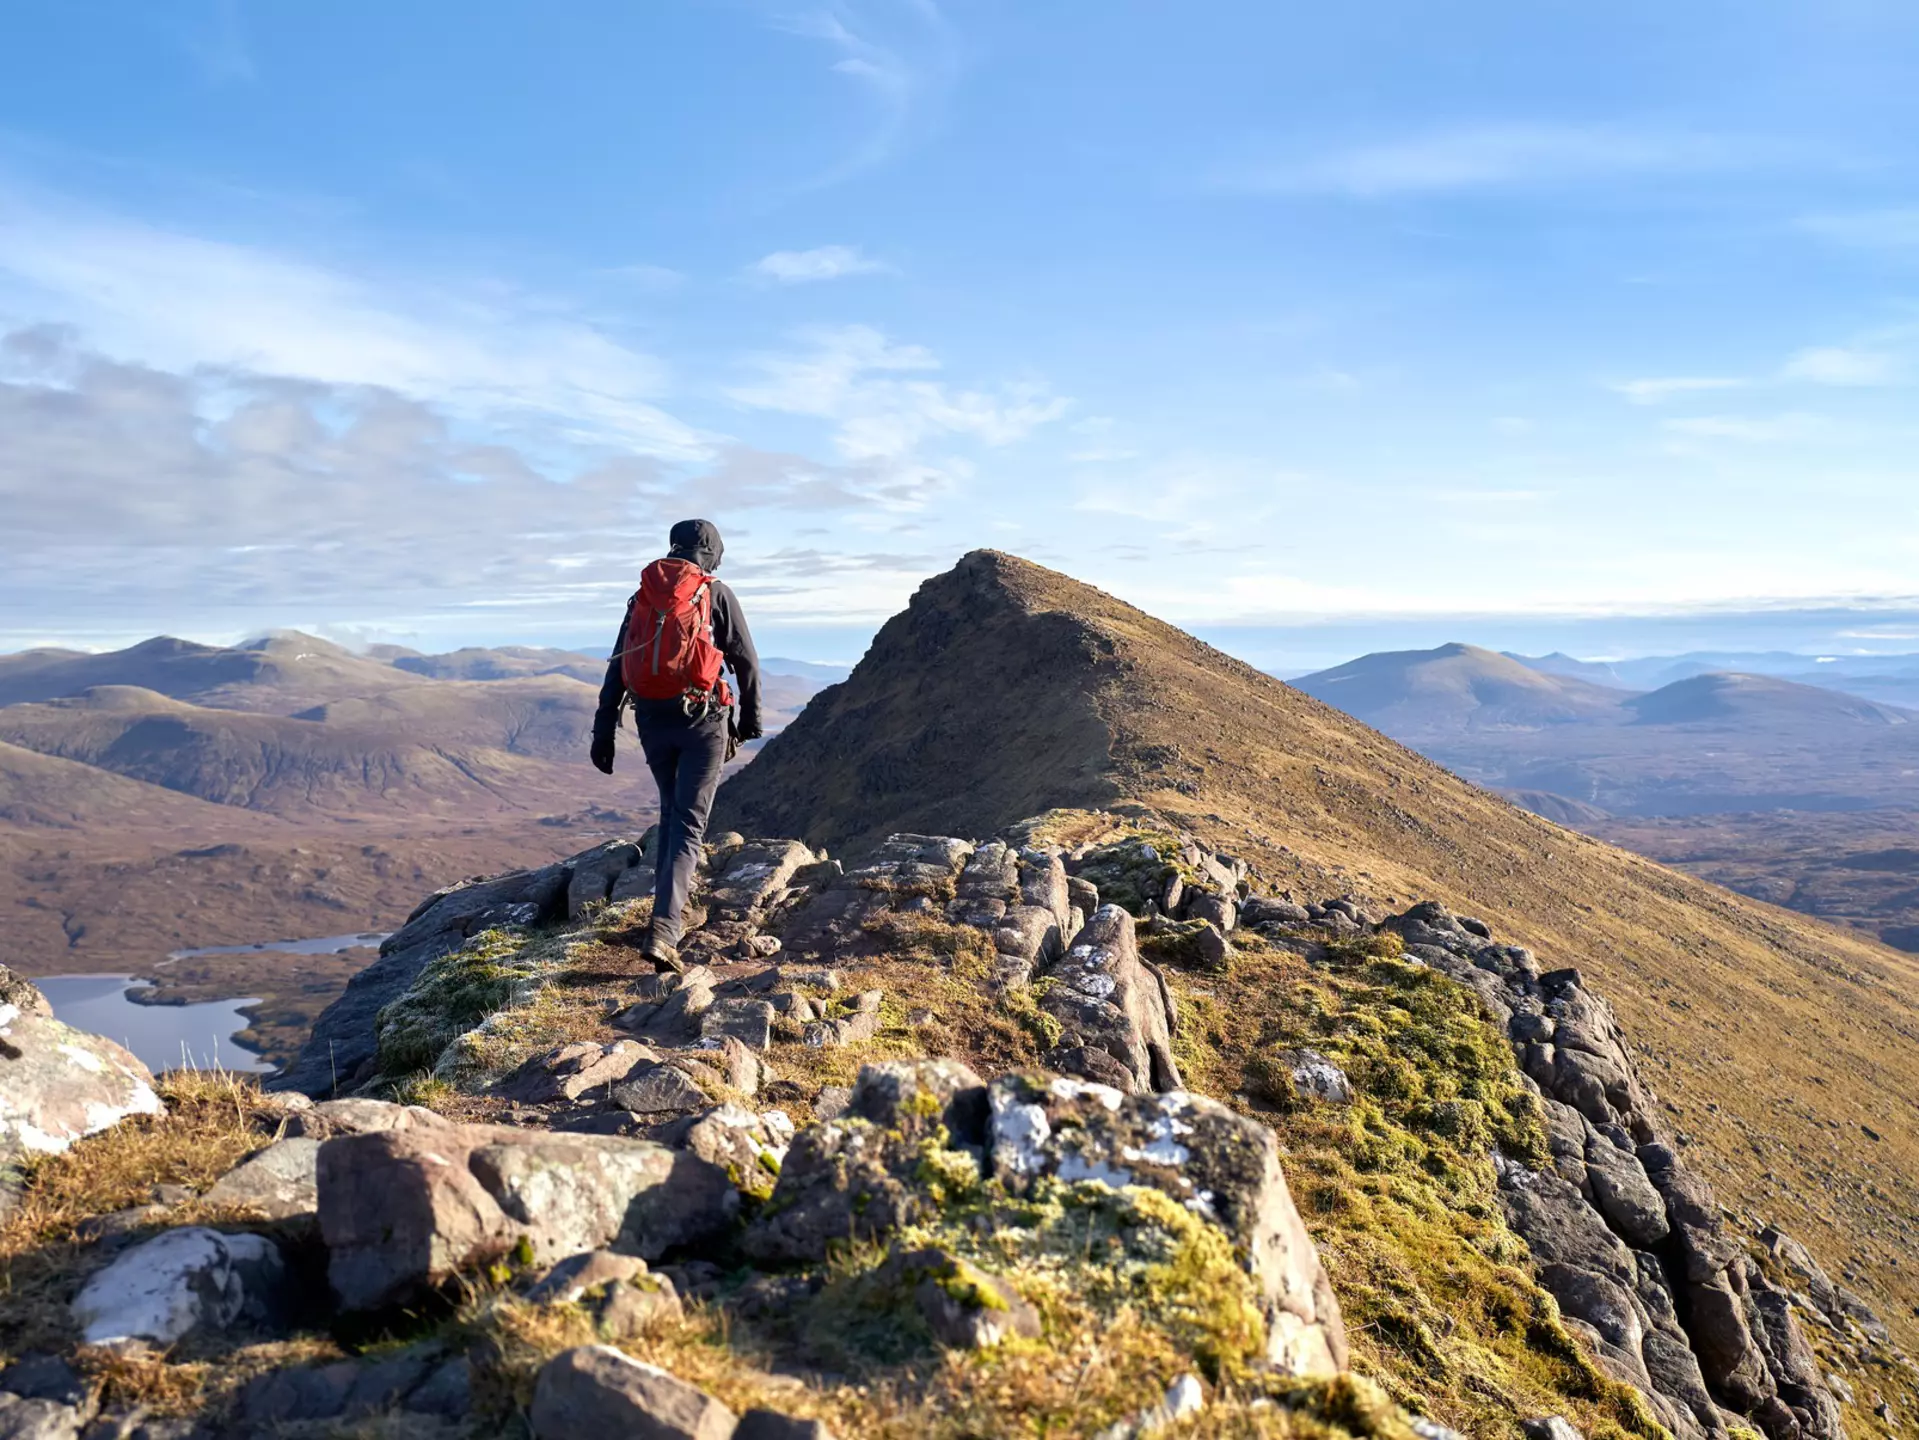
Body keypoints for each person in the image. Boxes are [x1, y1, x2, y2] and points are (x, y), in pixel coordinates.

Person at [590, 519, 761, 971]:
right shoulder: (713, 592)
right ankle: (665, 930)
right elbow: (746, 661)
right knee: (688, 823)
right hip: (702, 720)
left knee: (672, 812)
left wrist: (603, 730)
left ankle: (667, 910)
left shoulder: (643, 596)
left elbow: (618, 664)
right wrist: (750, 721)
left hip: (651, 719)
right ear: (713, 552)